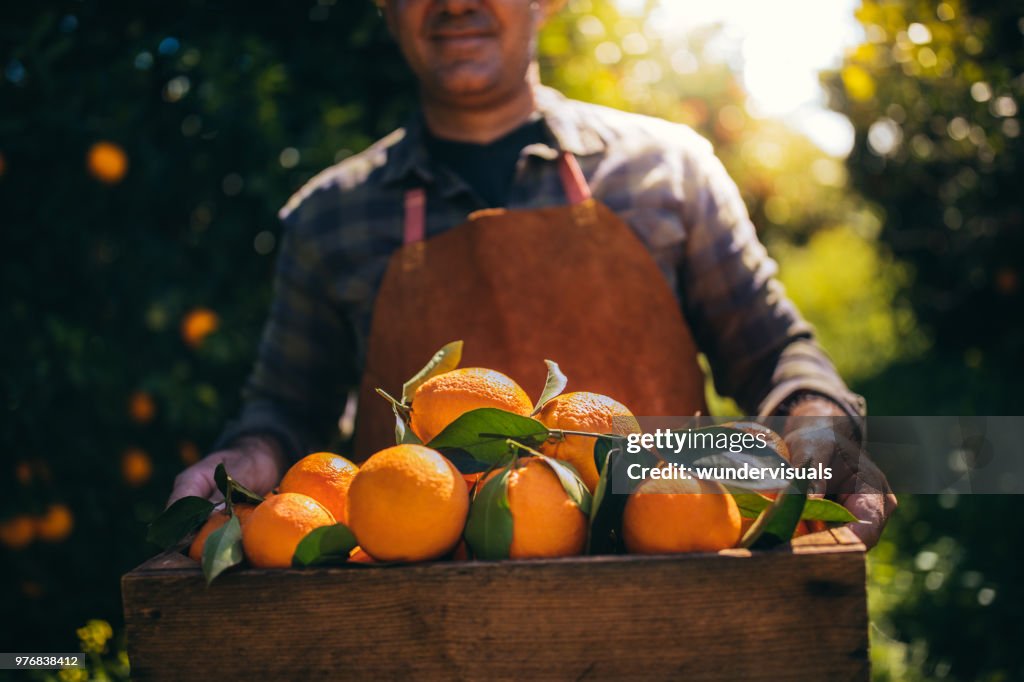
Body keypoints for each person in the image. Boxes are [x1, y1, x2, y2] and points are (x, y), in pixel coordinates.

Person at [168, 0, 896, 545]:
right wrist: (247, 461)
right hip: (415, 630)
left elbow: (773, 352)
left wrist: (817, 423)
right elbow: (286, 410)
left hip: (676, 587)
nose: (456, 4)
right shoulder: (331, 217)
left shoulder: (666, 172)